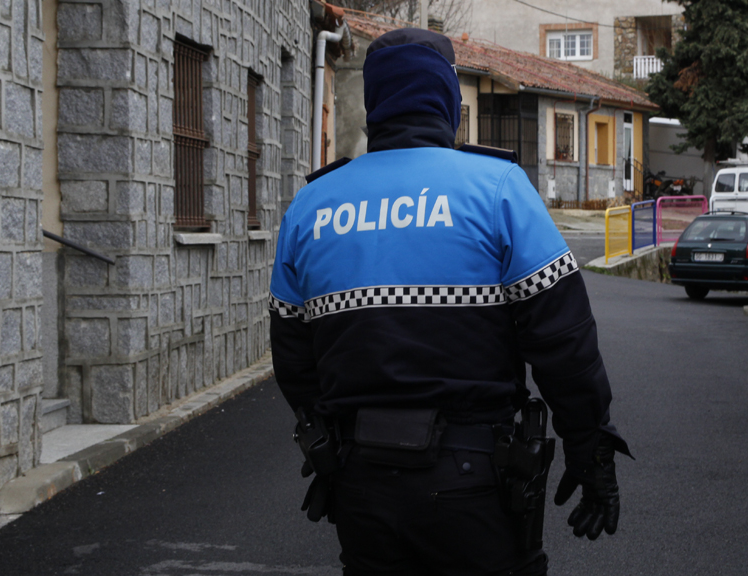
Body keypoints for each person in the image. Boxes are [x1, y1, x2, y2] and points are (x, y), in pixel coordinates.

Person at [269, 27, 630, 576]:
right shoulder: (499, 188)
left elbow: (294, 358)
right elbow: (565, 343)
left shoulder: (310, 207)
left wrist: (329, 449)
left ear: (373, 103)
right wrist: (591, 450)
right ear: (447, 100)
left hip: (361, 483)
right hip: (476, 483)